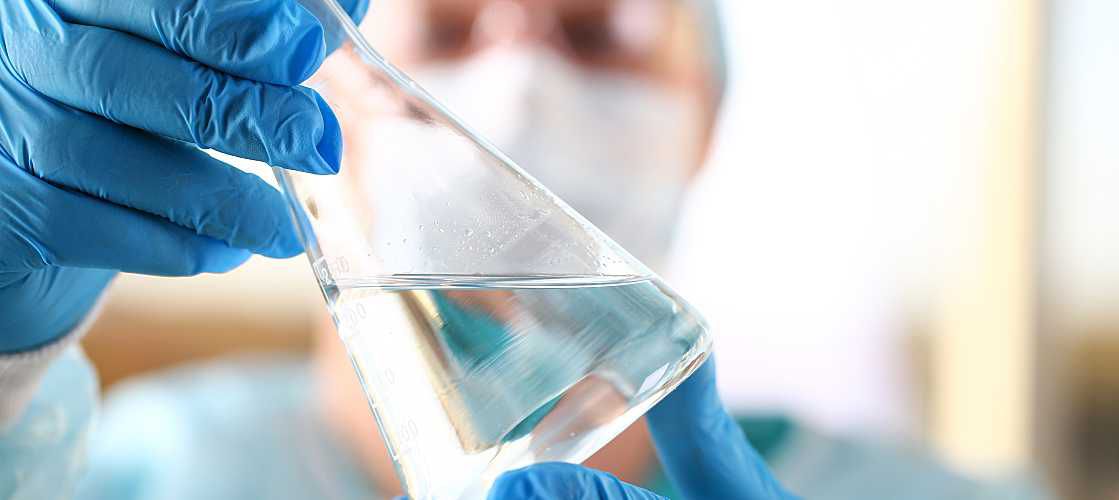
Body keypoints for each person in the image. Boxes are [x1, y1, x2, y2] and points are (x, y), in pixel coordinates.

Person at [0, 0, 1041, 499]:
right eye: (448, 31)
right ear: (305, 95)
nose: (517, 91)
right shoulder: (136, 470)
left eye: (594, 37)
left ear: (708, 114)